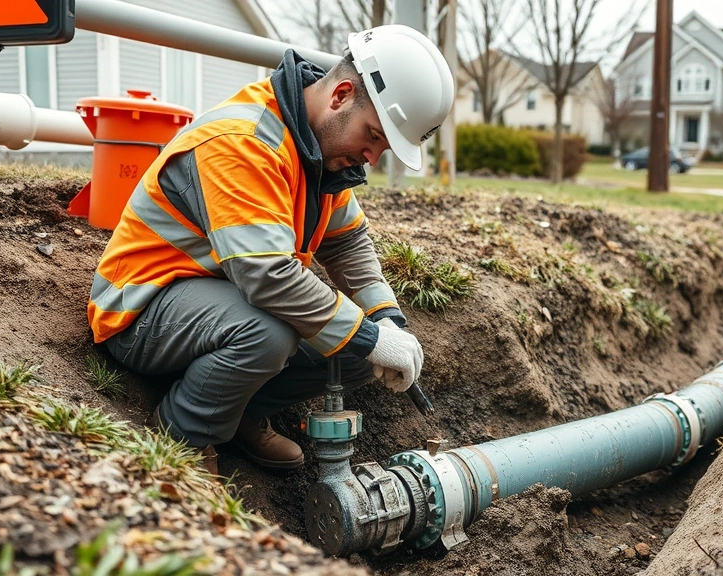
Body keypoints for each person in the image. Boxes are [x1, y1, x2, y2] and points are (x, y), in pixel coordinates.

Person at [86, 25, 455, 475]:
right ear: (340, 95)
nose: (372, 157)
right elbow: (268, 276)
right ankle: (180, 439)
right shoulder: (243, 142)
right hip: (144, 310)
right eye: (374, 136)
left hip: (224, 305)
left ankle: (234, 411)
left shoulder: (318, 149)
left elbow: (348, 242)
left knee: (360, 352)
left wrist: (386, 320)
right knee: (270, 333)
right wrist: (369, 334)